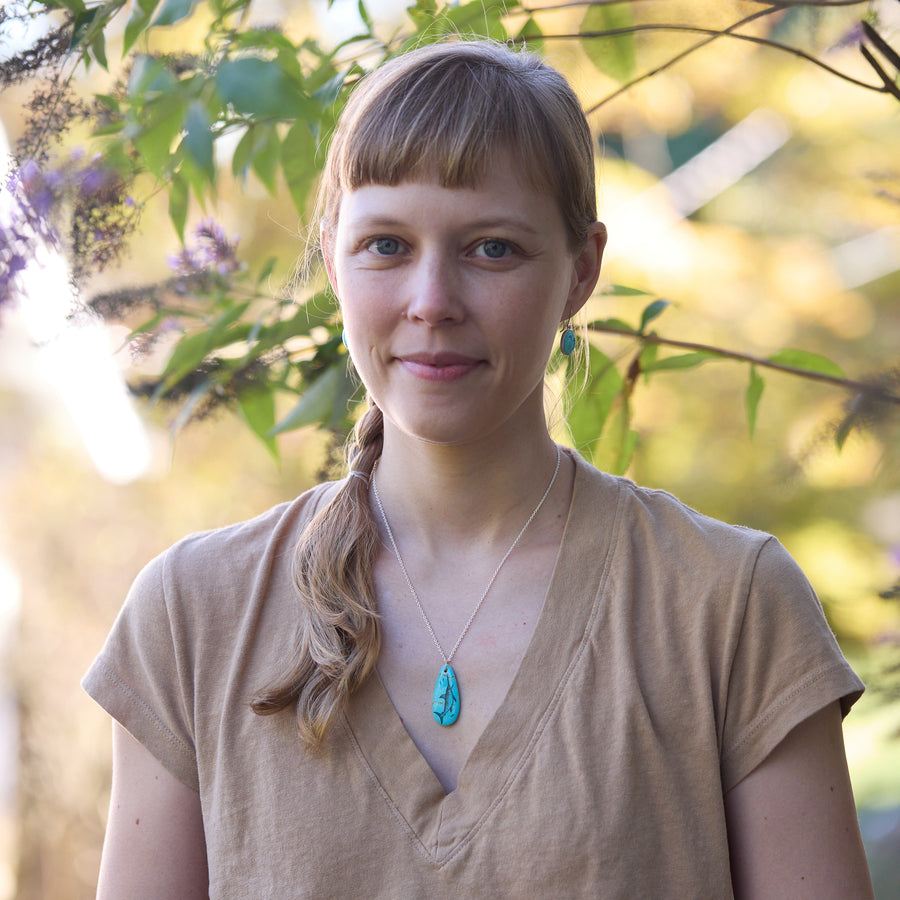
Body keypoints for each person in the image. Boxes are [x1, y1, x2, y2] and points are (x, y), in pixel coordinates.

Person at [84, 39, 874, 898]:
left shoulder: (727, 606)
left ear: (580, 272)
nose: (432, 300)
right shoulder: (194, 618)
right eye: (386, 244)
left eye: (492, 249)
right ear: (333, 259)